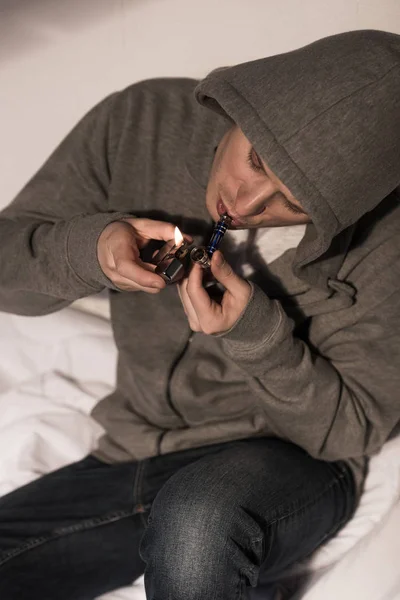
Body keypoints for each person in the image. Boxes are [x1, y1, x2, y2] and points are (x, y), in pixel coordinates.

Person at [0, 28, 399, 600]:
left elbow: (348, 432)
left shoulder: (390, 240)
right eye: (256, 161)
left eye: (295, 202)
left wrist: (256, 336)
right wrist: (89, 254)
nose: (245, 205)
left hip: (286, 464)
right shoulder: (141, 121)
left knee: (198, 525)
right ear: (240, 106)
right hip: (131, 449)